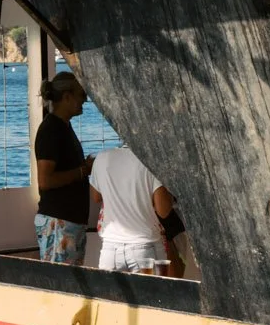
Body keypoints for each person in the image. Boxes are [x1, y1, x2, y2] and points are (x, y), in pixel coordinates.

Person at [88, 139, 174, 274]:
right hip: (145, 249)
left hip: (110, 249)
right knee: (152, 295)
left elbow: (96, 196)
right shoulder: (152, 161)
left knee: (109, 296)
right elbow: (163, 210)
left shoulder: (102, 157)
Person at [34, 72, 93, 264]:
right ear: (67, 97)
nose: (84, 100)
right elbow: (45, 180)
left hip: (69, 221)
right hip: (60, 222)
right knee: (62, 282)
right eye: (81, 95)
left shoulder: (63, 128)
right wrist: (83, 171)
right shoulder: (51, 130)